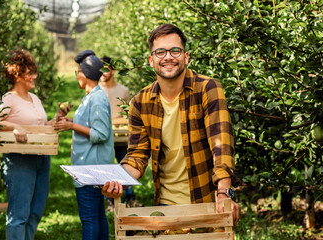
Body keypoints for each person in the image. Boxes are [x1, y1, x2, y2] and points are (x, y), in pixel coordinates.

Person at [101, 24, 240, 224]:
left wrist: (224, 193)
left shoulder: (208, 89)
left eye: (175, 50)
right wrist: (117, 179)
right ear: (151, 60)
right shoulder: (141, 102)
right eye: (160, 52)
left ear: (186, 57)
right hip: (166, 206)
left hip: (207, 202)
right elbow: (137, 156)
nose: (168, 57)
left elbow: (222, 147)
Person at [0, 49, 67, 240]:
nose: (34, 76)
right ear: (17, 75)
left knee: (35, 213)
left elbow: (39, 128)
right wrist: (14, 126)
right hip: (20, 161)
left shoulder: (35, 98)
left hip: (42, 160)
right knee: (19, 215)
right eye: (30, 73)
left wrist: (55, 119)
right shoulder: (7, 99)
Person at [54, 50, 114, 240]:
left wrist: (71, 125)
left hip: (91, 169)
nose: (77, 76)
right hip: (92, 166)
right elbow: (90, 126)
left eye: (78, 72)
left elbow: (101, 134)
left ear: (86, 74)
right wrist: (70, 121)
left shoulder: (96, 99)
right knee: (97, 217)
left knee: (89, 219)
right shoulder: (91, 97)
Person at [99, 56, 142, 208]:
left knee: (125, 164)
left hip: (122, 135)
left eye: (107, 69)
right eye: (101, 69)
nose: (103, 72)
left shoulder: (123, 90)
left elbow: (127, 113)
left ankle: (130, 197)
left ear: (113, 70)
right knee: (106, 167)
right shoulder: (97, 91)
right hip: (103, 136)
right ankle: (109, 200)